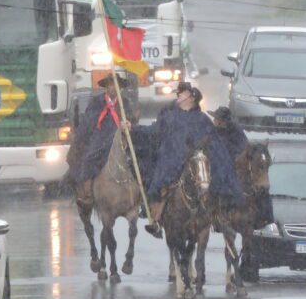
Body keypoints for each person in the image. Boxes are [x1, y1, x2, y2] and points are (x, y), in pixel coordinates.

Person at [133, 85, 243, 238]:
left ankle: (218, 215)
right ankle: (156, 217)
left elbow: (213, 140)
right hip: (171, 158)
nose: (178, 95)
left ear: (191, 98)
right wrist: (133, 129)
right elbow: (154, 130)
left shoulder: (202, 119)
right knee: (160, 178)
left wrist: (206, 151)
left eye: (182, 93)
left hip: (197, 158)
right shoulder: (170, 116)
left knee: (216, 172)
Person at [66, 73, 132, 207]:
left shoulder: (124, 103)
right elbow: (89, 121)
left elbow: (132, 119)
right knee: (90, 157)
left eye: (116, 85)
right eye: (111, 85)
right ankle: (88, 190)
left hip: (121, 138)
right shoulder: (97, 102)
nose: (114, 88)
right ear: (106, 87)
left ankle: (140, 196)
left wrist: (128, 124)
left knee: (138, 160)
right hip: (101, 137)